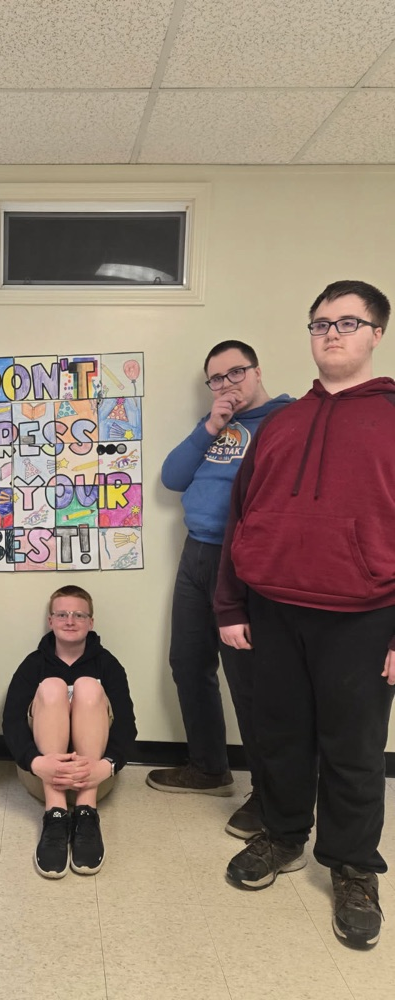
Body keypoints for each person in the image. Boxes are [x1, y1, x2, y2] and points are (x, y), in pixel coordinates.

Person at [215, 280, 395, 950]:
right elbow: (243, 519)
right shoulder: (282, 424)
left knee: (351, 750)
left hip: (364, 615)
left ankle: (352, 866)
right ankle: (285, 834)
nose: (331, 333)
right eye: (320, 323)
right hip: (272, 610)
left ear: (377, 333)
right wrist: (231, 604)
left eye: (348, 322)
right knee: (281, 734)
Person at [148, 342, 291, 839]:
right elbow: (171, 477)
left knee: (249, 680)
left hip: (244, 562)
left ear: (257, 370)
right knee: (187, 662)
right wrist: (210, 425)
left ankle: (271, 793)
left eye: (236, 373)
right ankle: (209, 768)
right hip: (196, 553)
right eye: (216, 377)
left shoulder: (285, 420)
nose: (227, 383)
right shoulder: (217, 425)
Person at [2, 585, 136, 879]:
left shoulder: (108, 665)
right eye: (61, 614)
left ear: (91, 621)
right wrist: (37, 763)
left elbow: (127, 726)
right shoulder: (33, 664)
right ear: (50, 621)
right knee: (52, 686)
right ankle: (56, 815)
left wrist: (108, 766)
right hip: (43, 776)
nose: (70, 620)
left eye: (79, 614)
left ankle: (86, 815)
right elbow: (11, 723)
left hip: (96, 778)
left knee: (88, 686)